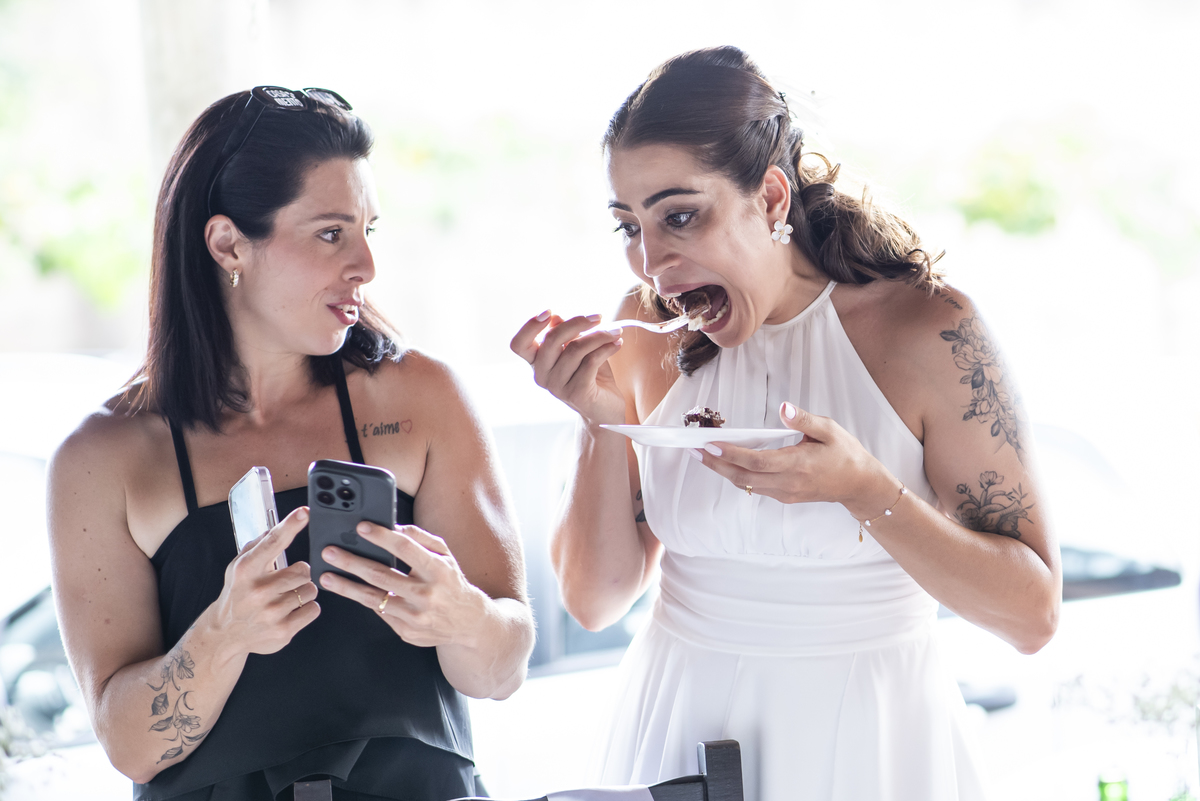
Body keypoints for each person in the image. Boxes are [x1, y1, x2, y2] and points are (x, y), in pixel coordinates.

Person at [511, 48, 1059, 800]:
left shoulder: (928, 328)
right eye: (628, 226)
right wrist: (599, 422)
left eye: (679, 216)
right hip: (679, 720)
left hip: (871, 733)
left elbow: (1033, 617)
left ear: (771, 197)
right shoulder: (641, 328)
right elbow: (595, 600)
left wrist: (868, 491)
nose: (650, 263)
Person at [48, 86, 534, 801]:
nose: (366, 264)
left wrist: (462, 616)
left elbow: (502, 669)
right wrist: (225, 633)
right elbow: (130, 747)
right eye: (332, 234)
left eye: (369, 229)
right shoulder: (103, 459)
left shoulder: (421, 398)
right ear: (228, 244)